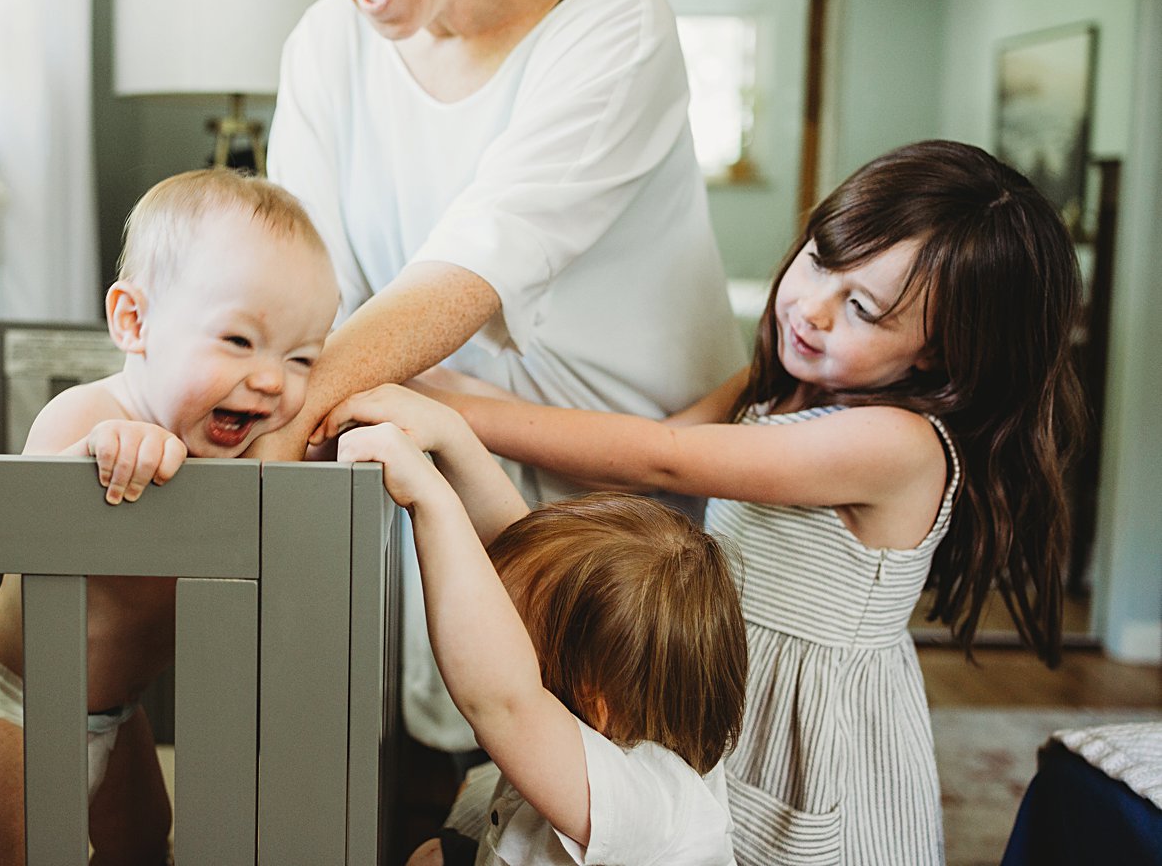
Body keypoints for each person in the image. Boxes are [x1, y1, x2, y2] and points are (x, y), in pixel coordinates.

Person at [336, 140, 1084, 864]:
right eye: (821, 261)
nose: (812, 309)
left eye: (861, 307)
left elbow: (659, 455)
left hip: (799, 726)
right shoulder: (779, 386)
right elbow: (653, 453)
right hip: (712, 670)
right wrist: (422, 382)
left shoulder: (899, 445)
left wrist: (462, 415)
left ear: (940, 349)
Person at [263, 0, 744, 798]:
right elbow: (305, 280)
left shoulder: (614, 25)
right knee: (462, 793)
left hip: (627, 508)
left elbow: (470, 270)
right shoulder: (325, 44)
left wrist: (273, 441)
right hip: (430, 469)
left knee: (621, 805)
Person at [0, 169, 340, 866]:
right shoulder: (91, 415)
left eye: (302, 357)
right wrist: (97, 455)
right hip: (10, 712)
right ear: (134, 322)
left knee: (146, 847)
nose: (274, 380)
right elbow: (24, 513)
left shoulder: (245, 453)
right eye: (240, 342)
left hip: (117, 716)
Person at [331, 383, 746, 865]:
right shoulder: (618, 707)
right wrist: (452, 437)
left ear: (593, 700)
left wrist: (430, 500)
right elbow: (515, 551)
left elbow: (503, 700)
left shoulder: (654, 806)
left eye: (511, 635)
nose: (494, 623)